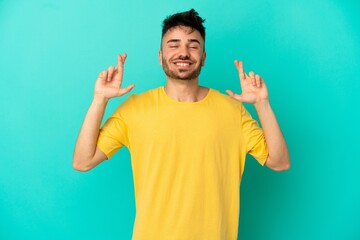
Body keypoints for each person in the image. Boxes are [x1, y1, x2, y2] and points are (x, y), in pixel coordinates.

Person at [73, 8, 290, 240]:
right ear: (160, 56)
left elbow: (279, 162)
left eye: (193, 45)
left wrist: (262, 104)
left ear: (204, 57)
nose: (183, 52)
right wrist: (100, 99)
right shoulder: (135, 110)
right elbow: (83, 161)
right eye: (174, 45)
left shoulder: (233, 111)